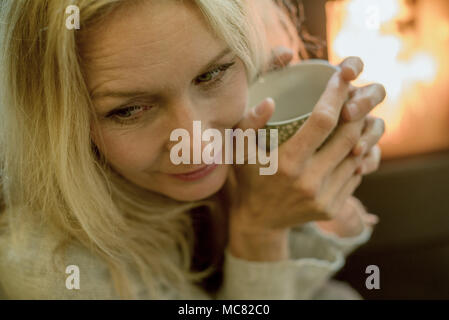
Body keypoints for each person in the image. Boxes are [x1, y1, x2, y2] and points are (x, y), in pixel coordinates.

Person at [0, 0, 386, 299]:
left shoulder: (246, 135)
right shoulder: (52, 272)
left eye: (212, 74)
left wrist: (303, 168)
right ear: (63, 125)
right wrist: (261, 229)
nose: (197, 144)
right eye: (129, 110)